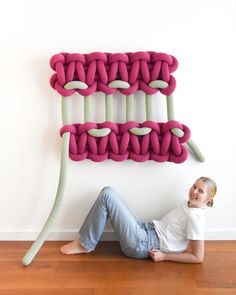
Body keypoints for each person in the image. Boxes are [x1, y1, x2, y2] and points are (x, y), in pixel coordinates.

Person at [60, 176, 217, 263]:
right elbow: (183, 239)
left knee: (107, 195)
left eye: (200, 191)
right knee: (108, 192)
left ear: (208, 199)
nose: (194, 191)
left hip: (143, 244)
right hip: (146, 231)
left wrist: (164, 256)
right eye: (194, 186)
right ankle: (86, 241)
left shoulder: (195, 217)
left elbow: (198, 257)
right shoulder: (190, 206)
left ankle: (85, 244)